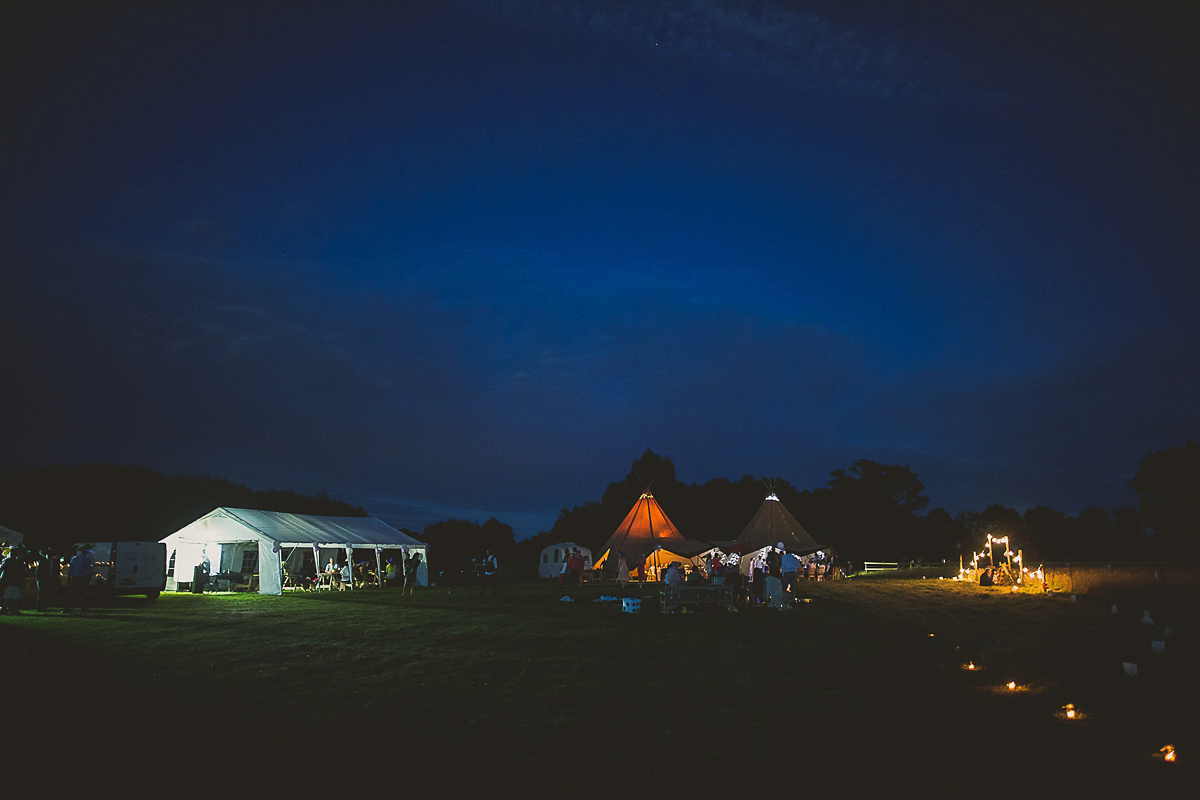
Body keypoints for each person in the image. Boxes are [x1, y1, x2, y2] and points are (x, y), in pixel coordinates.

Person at [63, 545, 94, 614]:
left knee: (73, 593)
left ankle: (67, 607)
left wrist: (69, 579)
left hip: (74, 578)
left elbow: (70, 570)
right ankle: (82, 607)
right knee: (81, 593)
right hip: (82, 578)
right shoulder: (87, 559)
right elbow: (89, 570)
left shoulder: (74, 558)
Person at [0, 545, 27, 614]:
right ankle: (10, 609)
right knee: (12, 596)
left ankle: (11, 609)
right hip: (13, 581)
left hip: (13, 581)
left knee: (12, 596)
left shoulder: (11, 561)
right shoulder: (13, 562)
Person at [35, 547, 58, 611]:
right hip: (42, 579)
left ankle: (43, 606)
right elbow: (38, 572)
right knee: (42, 593)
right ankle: (39, 607)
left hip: (49, 579)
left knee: (47, 593)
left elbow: (55, 571)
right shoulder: (42, 562)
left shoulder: (54, 562)